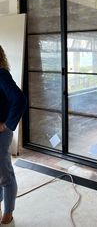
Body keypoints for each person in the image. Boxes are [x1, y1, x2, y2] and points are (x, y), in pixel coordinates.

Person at [0, 46, 26, 225]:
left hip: (1, 134)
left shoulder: (1, 74)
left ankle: (8, 211)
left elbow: (20, 99)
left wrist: (7, 124)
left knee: (4, 174)